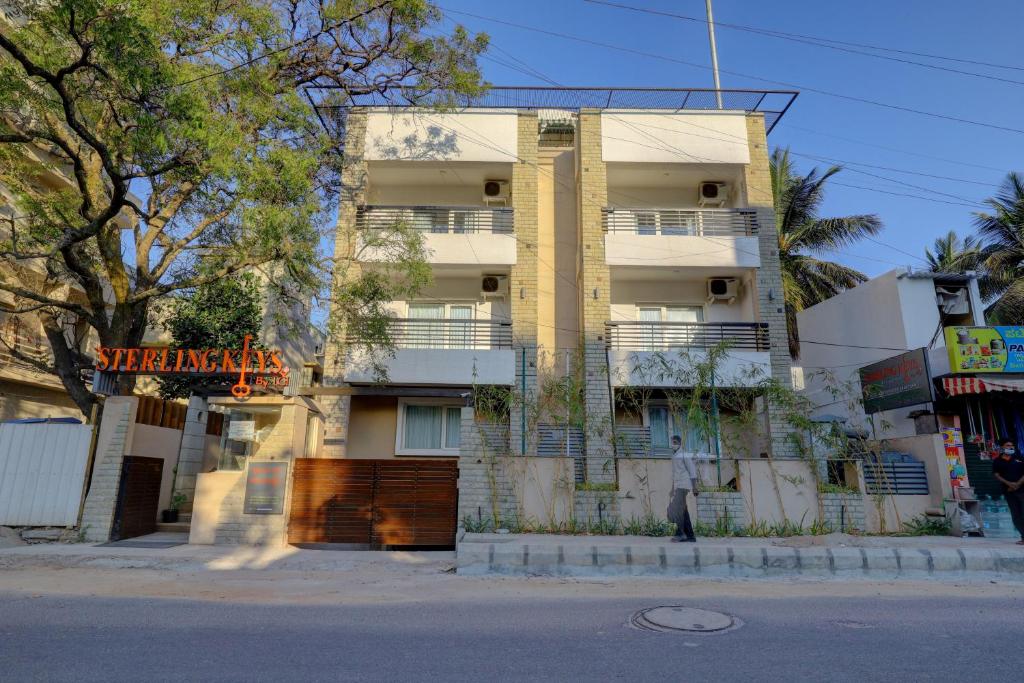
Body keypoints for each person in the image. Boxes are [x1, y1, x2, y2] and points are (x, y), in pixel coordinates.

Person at [667, 434, 698, 542]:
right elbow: (675, 474)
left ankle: (681, 533)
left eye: (675, 442)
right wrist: (672, 489)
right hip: (678, 486)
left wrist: (694, 487)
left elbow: (692, 471)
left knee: (678, 509)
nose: (673, 444)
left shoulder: (684, 455)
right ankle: (690, 535)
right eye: (672, 442)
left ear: (680, 443)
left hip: (684, 485)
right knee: (682, 510)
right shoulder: (674, 456)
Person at [992, 440, 1024, 545]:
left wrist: (1017, 484)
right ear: (1002, 447)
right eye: (1008, 445)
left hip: (1022, 490)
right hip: (1009, 491)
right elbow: (997, 475)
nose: (1010, 447)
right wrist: (1009, 484)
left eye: (1012, 445)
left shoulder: (1019, 458)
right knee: (1016, 515)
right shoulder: (997, 461)